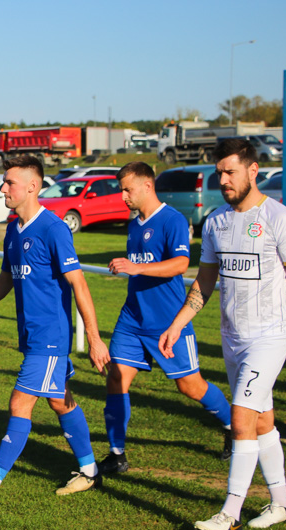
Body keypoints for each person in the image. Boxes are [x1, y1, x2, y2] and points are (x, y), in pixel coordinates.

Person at [159, 138, 286, 530]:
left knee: (240, 419)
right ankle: (281, 503)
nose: (224, 179)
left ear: (253, 171)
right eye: (220, 172)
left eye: (231, 171)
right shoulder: (216, 221)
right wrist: (178, 322)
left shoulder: (282, 220)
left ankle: (228, 514)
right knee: (263, 420)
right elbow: (205, 281)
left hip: (269, 337)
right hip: (232, 337)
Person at [0, 156, 110, 507]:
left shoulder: (53, 229)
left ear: (32, 186)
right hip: (31, 337)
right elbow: (4, 281)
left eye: (10, 182)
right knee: (60, 400)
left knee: (20, 402)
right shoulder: (13, 230)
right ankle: (90, 469)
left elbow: (79, 284)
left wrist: (93, 337)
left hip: (50, 337)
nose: (3, 188)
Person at [100, 161, 233, 474]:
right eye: (121, 190)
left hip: (168, 323)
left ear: (147, 186)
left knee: (190, 386)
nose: (123, 196)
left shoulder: (172, 220)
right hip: (132, 320)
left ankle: (232, 426)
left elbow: (180, 264)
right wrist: (127, 266)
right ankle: (116, 453)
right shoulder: (134, 224)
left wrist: (137, 268)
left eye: (127, 189)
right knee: (116, 380)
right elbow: (141, 265)